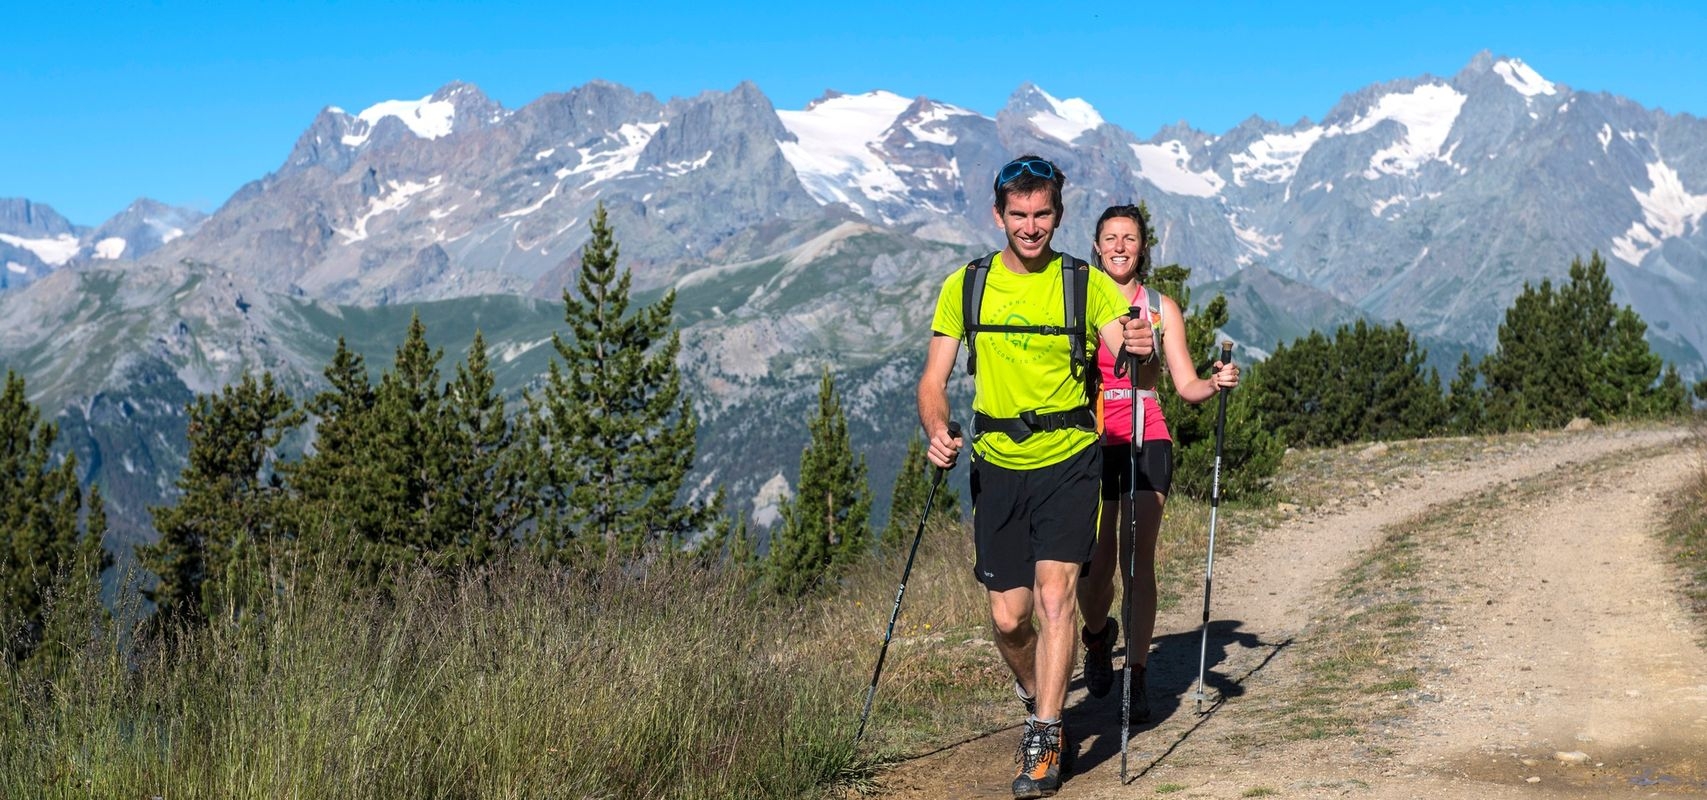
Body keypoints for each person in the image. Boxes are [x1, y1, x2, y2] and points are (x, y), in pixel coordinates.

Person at [917, 156, 1155, 799]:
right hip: (997, 463)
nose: (1030, 227)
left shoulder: (1085, 283)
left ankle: (1048, 735)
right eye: (1018, 215)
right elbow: (932, 382)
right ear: (998, 216)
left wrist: (1137, 347)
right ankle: (1035, 694)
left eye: (1042, 214)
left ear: (1058, 214)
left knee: (1056, 600)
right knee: (1007, 617)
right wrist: (937, 429)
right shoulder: (964, 286)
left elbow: (1126, 350)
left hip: (1071, 457)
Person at [1075, 204, 1240, 723]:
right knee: (1098, 563)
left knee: (1137, 557)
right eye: (1110, 237)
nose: (1120, 245)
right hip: (1094, 435)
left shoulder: (1162, 308)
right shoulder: (1078, 300)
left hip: (1149, 433)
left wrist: (1215, 384)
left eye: (1130, 237)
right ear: (1097, 246)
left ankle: (1138, 677)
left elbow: (1185, 384)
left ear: (1143, 246)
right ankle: (1098, 637)